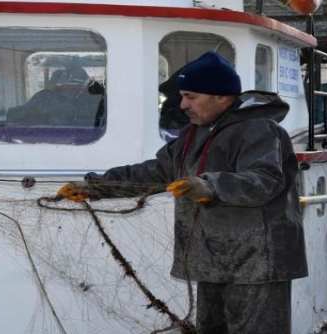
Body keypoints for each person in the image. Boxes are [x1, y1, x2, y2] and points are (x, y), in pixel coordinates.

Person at [57, 51, 308, 334]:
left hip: (258, 261)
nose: (183, 104)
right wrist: (96, 187)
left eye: (191, 96)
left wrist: (211, 185)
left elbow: (265, 180)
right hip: (216, 258)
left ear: (221, 97)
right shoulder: (197, 131)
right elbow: (156, 172)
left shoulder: (259, 129)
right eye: (182, 96)